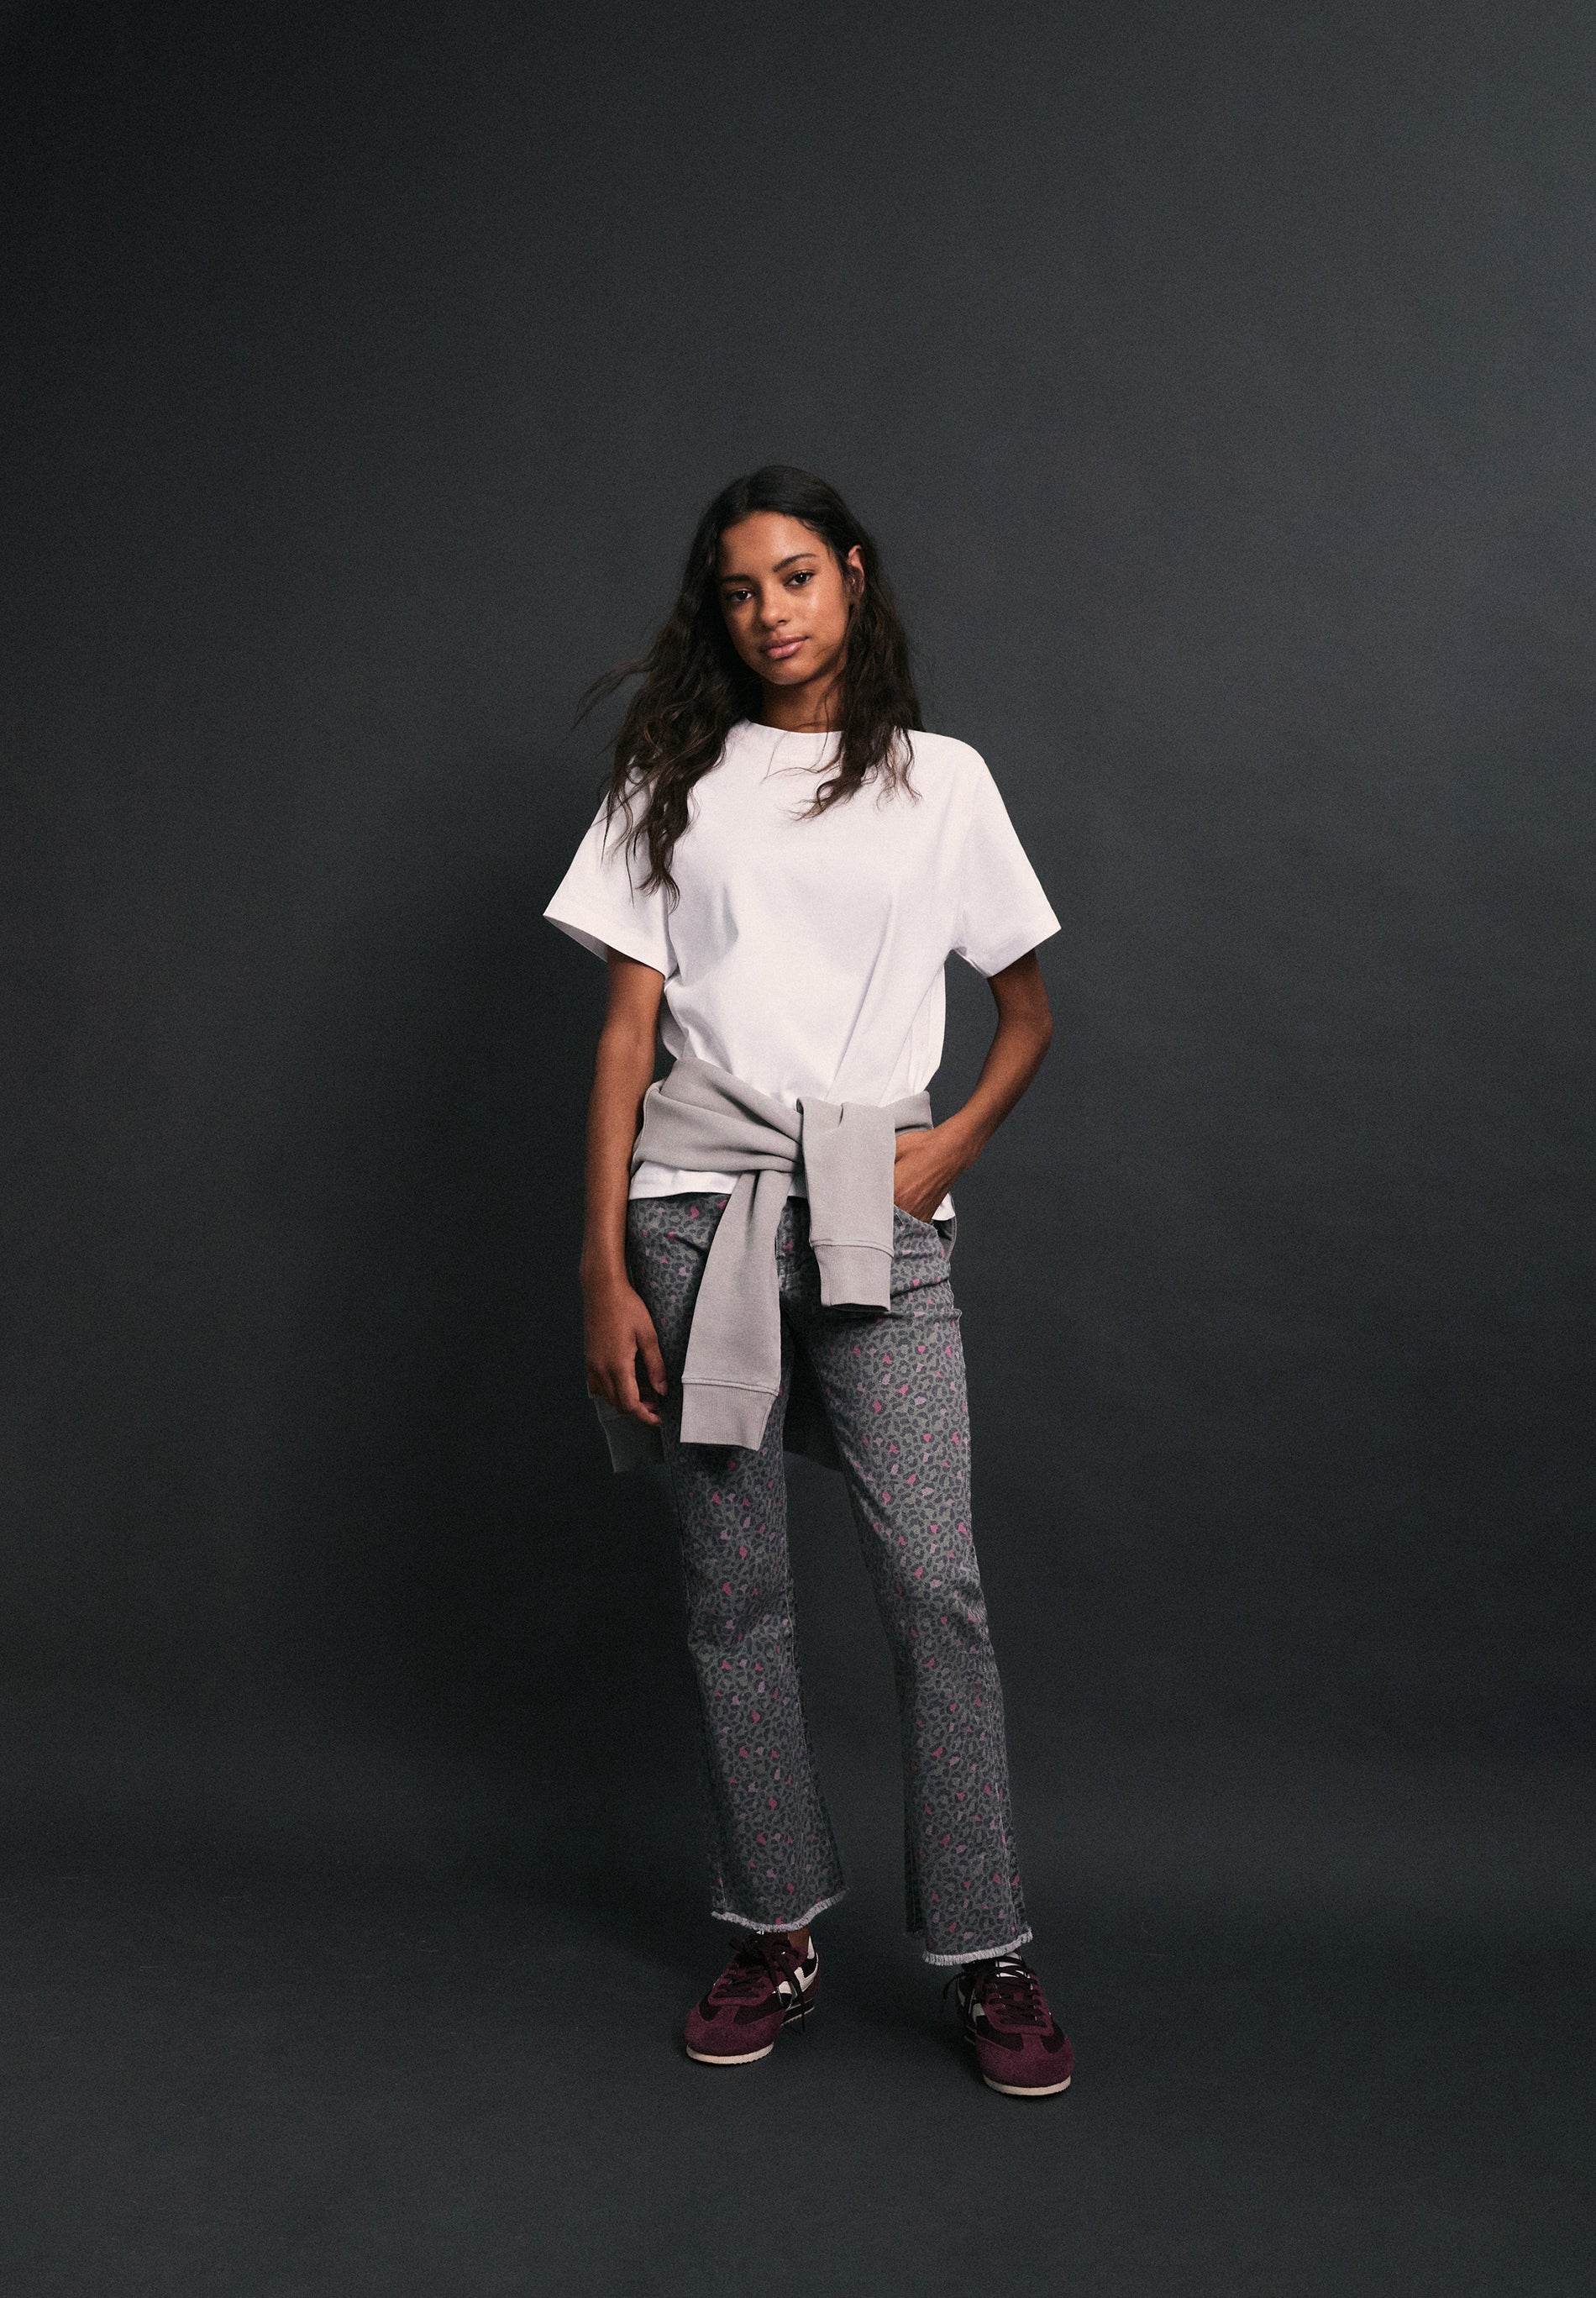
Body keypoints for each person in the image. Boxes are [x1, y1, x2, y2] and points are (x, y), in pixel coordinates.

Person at [543, 466, 1073, 2098]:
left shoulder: (941, 781)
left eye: (793, 576)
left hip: (874, 1209)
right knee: (734, 1593)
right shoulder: (671, 780)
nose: (768, 612)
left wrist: (945, 1148)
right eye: (737, 590)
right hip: (692, 1215)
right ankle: (772, 1929)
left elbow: (1028, 1013)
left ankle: (986, 1948)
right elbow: (625, 1039)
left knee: (936, 1585)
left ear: (851, 575)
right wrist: (599, 1266)